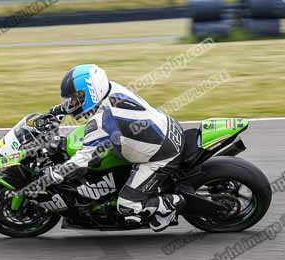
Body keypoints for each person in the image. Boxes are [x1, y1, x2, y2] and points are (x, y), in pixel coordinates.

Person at [39, 64, 185, 231]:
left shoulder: (102, 122)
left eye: (74, 99)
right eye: (70, 100)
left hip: (161, 155)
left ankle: (169, 204)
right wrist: (54, 113)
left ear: (91, 93)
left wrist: (54, 174)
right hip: (166, 128)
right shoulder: (110, 89)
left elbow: (82, 162)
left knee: (127, 205)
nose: (71, 104)